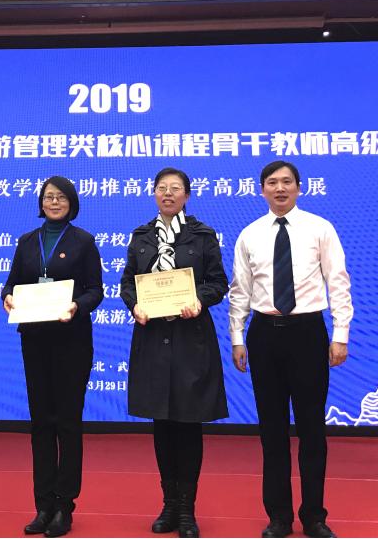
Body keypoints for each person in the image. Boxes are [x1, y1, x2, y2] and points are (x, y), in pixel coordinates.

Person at [228, 161, 353, 539]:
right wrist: (237, 336)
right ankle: (279, 517)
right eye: (272, 182)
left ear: (300, 187)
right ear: (261, 190)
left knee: (312, 428)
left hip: (307, 333)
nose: (280, 188)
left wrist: (340, 333)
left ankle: (314, 516)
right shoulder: (250, 234)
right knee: (272, 430)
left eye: (286, 182)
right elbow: (240, 290)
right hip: (264, 335)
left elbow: (338, 281)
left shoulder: (320, 228)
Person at [120, 168, 229, 539]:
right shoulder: (141, 236)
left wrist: (199, 300)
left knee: (188, 424)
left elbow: (218, 282)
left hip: (190, 338)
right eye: (161, 188)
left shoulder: (202, 235)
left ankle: (187, 509)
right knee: (162, 425)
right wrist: (135, 305)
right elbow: (127, 283)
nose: (168, 194)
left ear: (187, 195)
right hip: (152, 338)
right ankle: (168, 504)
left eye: (175, 188)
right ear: (154, 193)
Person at [1, 176, 104, 538]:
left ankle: (64, 505)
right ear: (40, 202)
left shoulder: (83, 241)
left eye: (61, 197)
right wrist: (7, 296)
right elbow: (11, 282)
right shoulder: (27, 241)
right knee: (41, 423)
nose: (54, 202)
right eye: (49, 197)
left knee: (68, 423)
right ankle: (43, 505)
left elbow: (96, 290)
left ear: (71, 202)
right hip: (35, 340)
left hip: (71, 341)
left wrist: (76, 306)